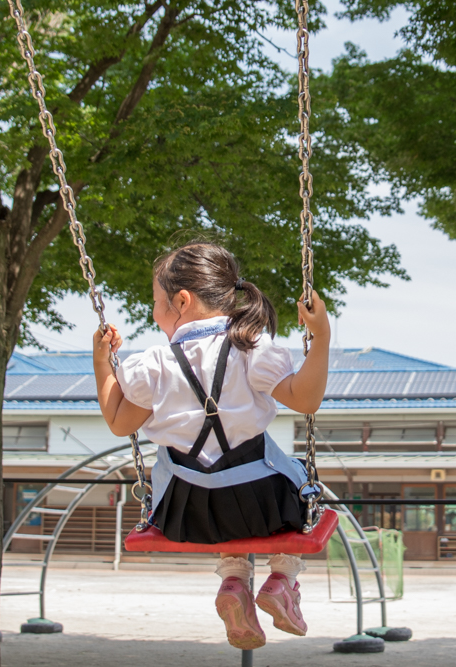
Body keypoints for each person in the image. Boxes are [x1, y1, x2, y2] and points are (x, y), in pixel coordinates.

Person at [92, 242, 330, 649]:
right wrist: (321, 335)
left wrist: (102, 362)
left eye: (155, 302)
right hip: (264, 504)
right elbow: (305, 399)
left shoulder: (153, 365)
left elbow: (118, 421)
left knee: (213, 489)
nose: (154, 311)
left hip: (185, 512)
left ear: (180, 301)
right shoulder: (250, 348)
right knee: (304, 492)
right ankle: (282, 580)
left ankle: (235, 582)